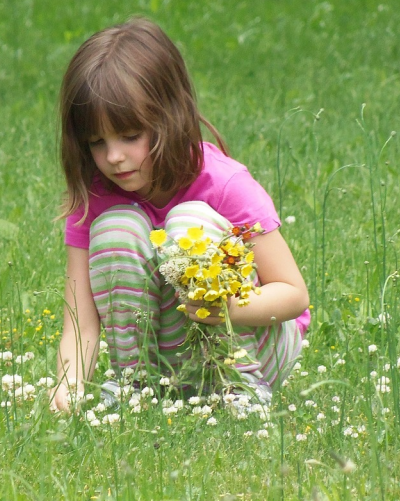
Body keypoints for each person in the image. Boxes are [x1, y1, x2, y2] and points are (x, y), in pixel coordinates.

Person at [51, 17, 310, 412]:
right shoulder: (96, 198)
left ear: (169, 116)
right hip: (173, 358)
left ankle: (238, 389)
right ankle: (136, 386)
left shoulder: (223, 183)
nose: (114, 157)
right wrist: (66, 390)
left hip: (257, 343)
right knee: (116, 228)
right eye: (96, 142)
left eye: (130, 136)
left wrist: (223, 308)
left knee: (189, 222)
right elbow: (81, 322)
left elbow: (293, 296)